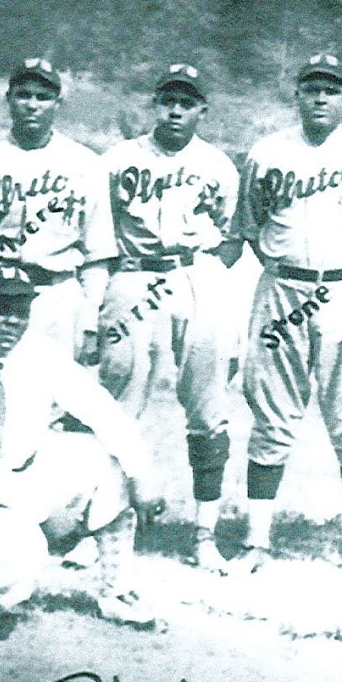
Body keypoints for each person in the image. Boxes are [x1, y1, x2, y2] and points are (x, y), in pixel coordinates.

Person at [0, 265, 167, 632]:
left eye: (21, 310)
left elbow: (98, 405)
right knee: (18, 565)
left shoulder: (36, 349)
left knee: (110, 464)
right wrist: (42, 515)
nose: (12, 321)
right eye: (1, 308)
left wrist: (141, 471)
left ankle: (117, 591)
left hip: (18, 471)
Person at [228, 53, 342, 576]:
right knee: (271, 416)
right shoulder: (267, 152)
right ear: (298, 95)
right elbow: (253, 229)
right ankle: (256, 540)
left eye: (331, 89)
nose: (321, 98)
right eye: (312, 88)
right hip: (282, 288)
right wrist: (291, 272)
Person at [98, 63, 242, 574]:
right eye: (168, 101)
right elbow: (100, 231)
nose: (176, 111)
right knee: (118, 405)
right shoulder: (118, 159)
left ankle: (205, 533)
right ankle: (105, 529)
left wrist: (208, 283)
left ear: (202, 109)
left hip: (194, 276)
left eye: (187, 102)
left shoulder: (220, 165)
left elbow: (230, 237)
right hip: (134, 275)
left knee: (207, 406)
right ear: (155, 105)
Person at [0, 58, 114, 363]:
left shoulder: (85, 164)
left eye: (43, 97)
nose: (32, 105)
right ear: (9, 99)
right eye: (23, 95)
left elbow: (97, 252)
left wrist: (90, 320)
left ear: (58, 103)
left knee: (53, 399)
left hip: (55, 293)